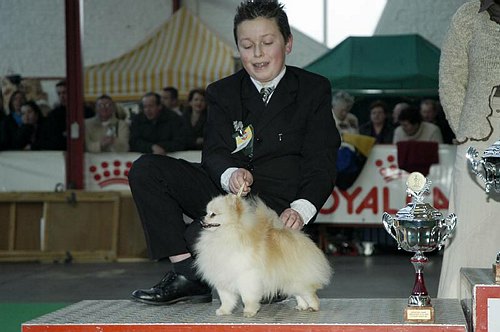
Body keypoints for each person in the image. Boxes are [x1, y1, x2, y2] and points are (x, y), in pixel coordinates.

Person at [128, 0, 340, 306]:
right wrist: (230, 174)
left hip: (274, 209)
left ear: (288, 43)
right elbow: (213, 152)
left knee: (260, 287)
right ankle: (188, 274)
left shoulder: (313, 89)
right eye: (247, 45)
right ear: (238, 48)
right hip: (227, 196)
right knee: (146, 170)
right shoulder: (222, 91)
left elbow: (321, 161)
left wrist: (301, 209)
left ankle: (210, 264)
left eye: (267, 43)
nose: (257, 54)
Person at [437, 0, 500, 299]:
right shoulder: (468, 15)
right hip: (479, 136)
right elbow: (450, 78)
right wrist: (465, 131)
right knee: (467, 234)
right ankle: (457, 311)